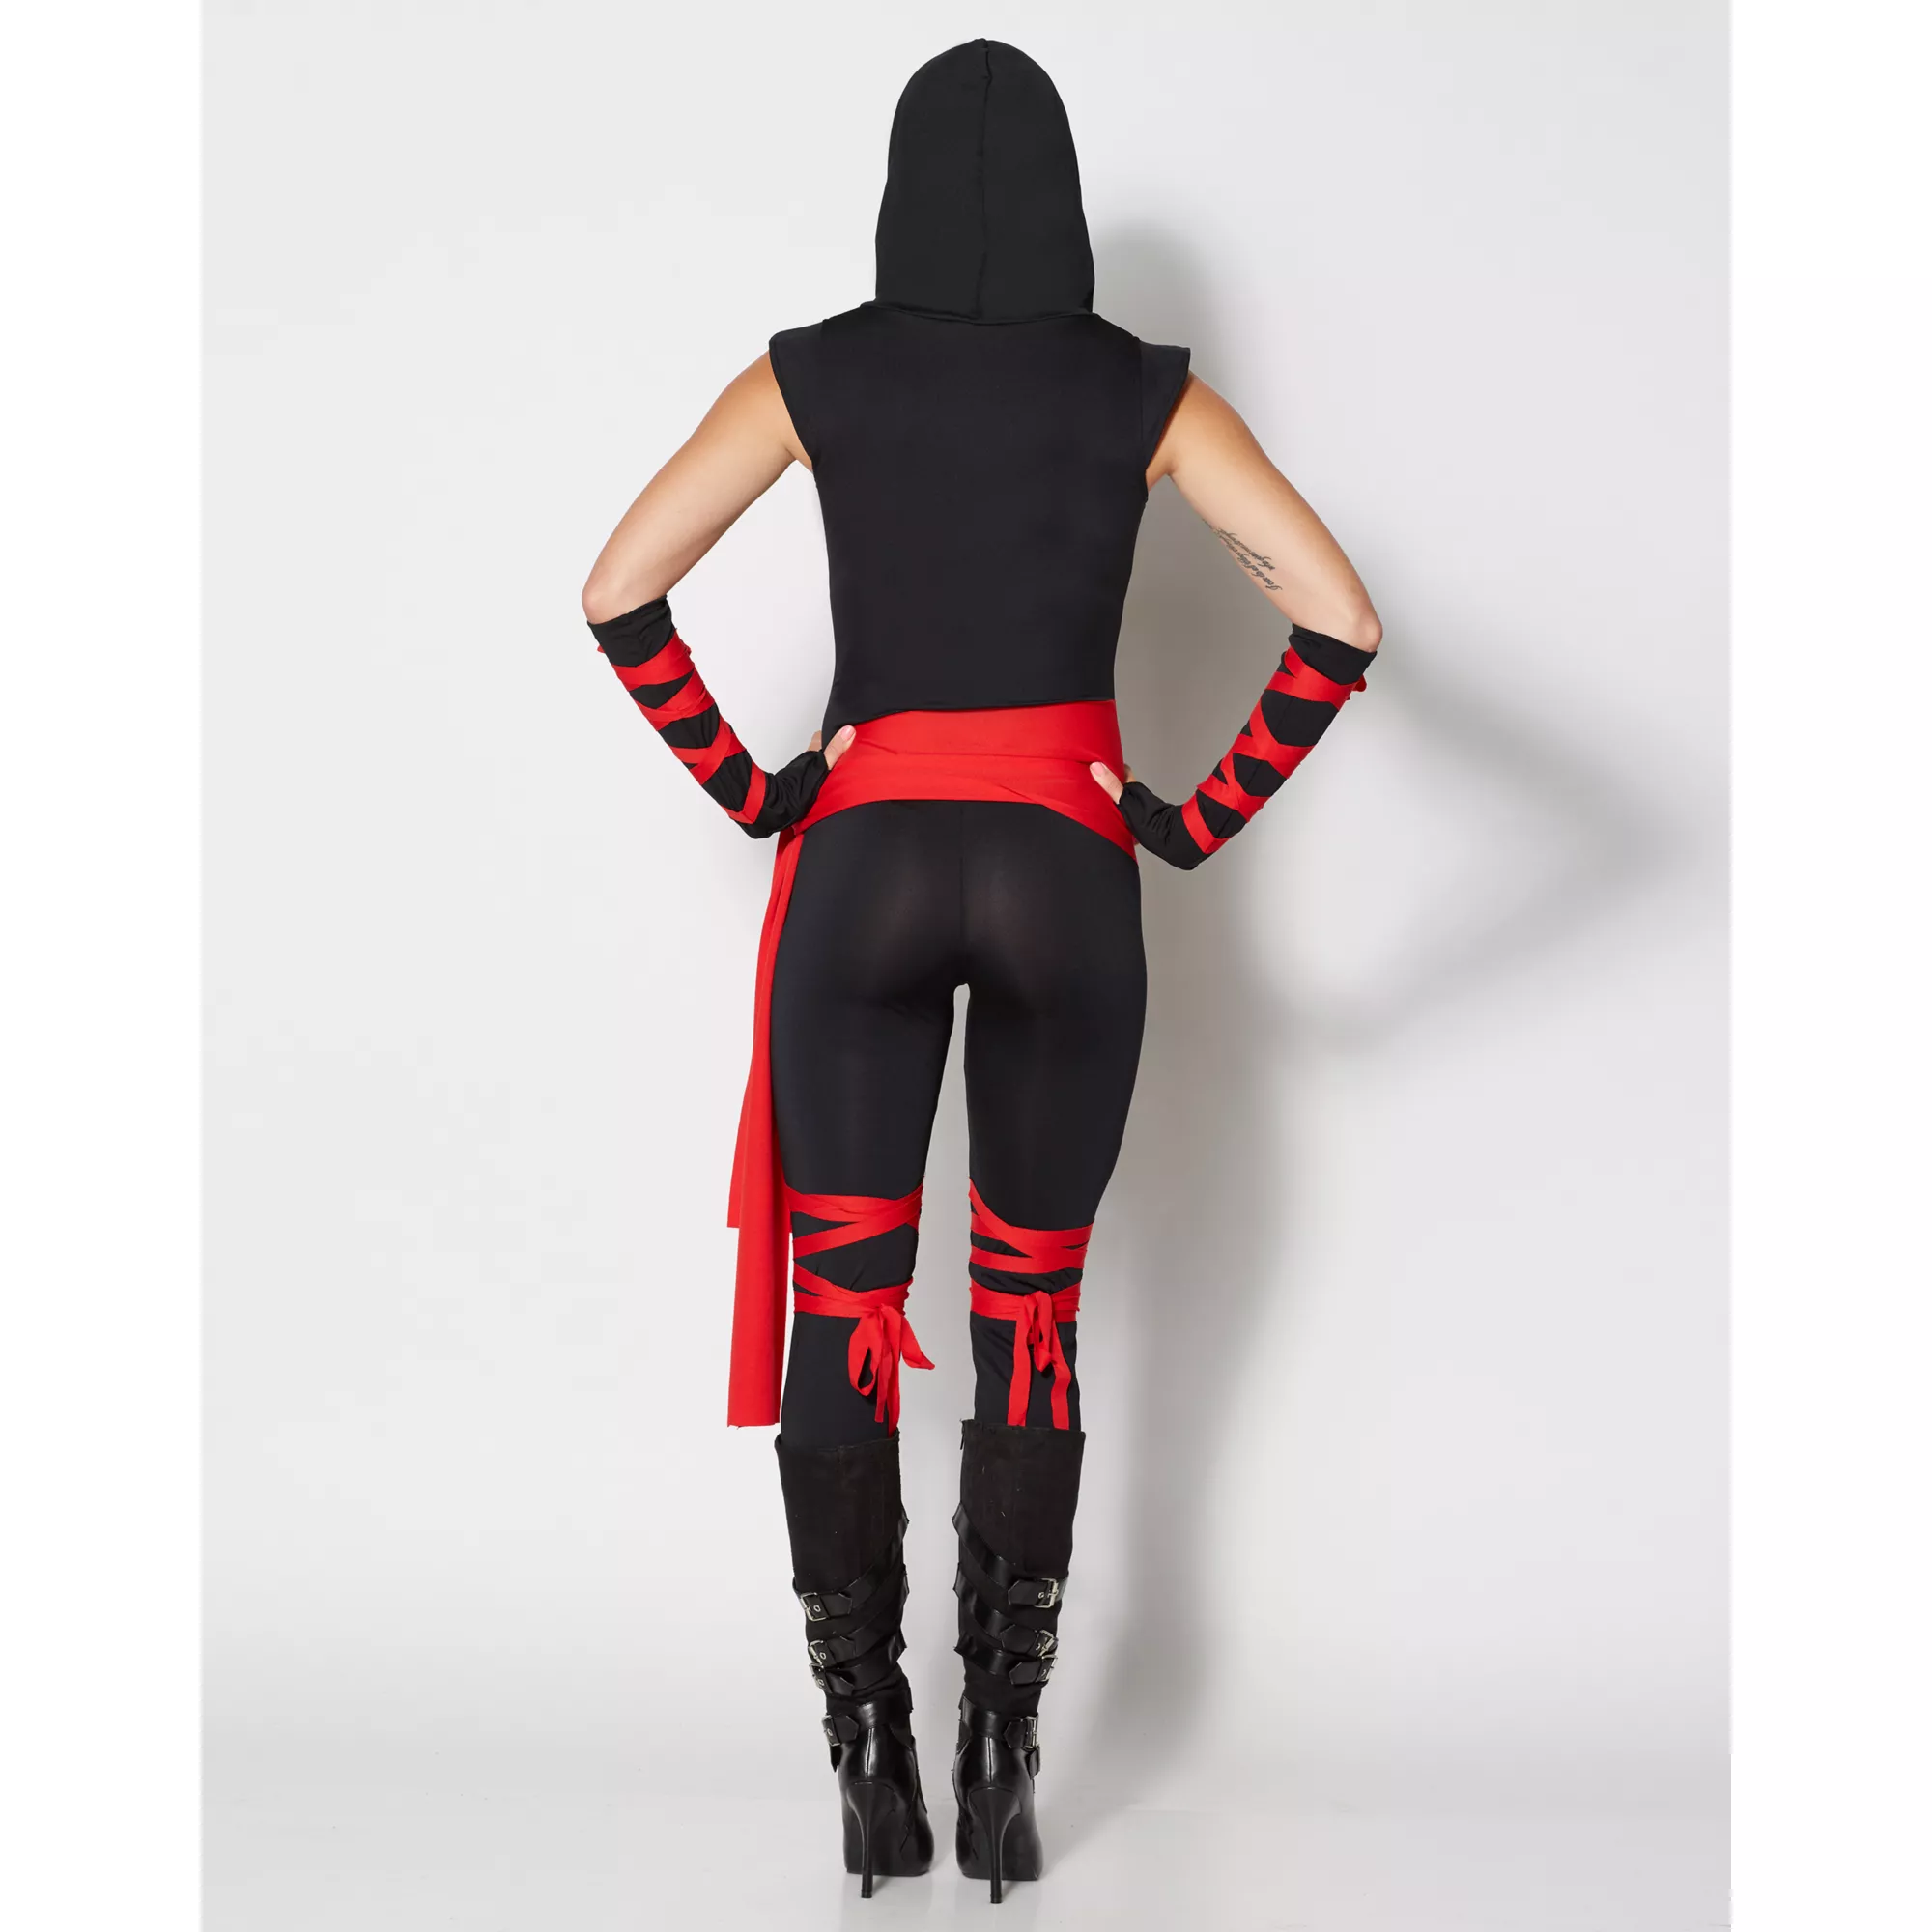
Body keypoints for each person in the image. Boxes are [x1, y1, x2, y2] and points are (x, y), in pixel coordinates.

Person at [581, 39, 1380, 1903]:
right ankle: (1002, 1766)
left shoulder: (815, 374)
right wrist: (1194, 816)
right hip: (1064, 877)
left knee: (846, 1313)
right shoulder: (1142, 391)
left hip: (862, 872)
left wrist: (759, 790)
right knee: (1032, 1315)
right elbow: (1338, 618)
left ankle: (870, 1763)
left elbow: (619, 586)